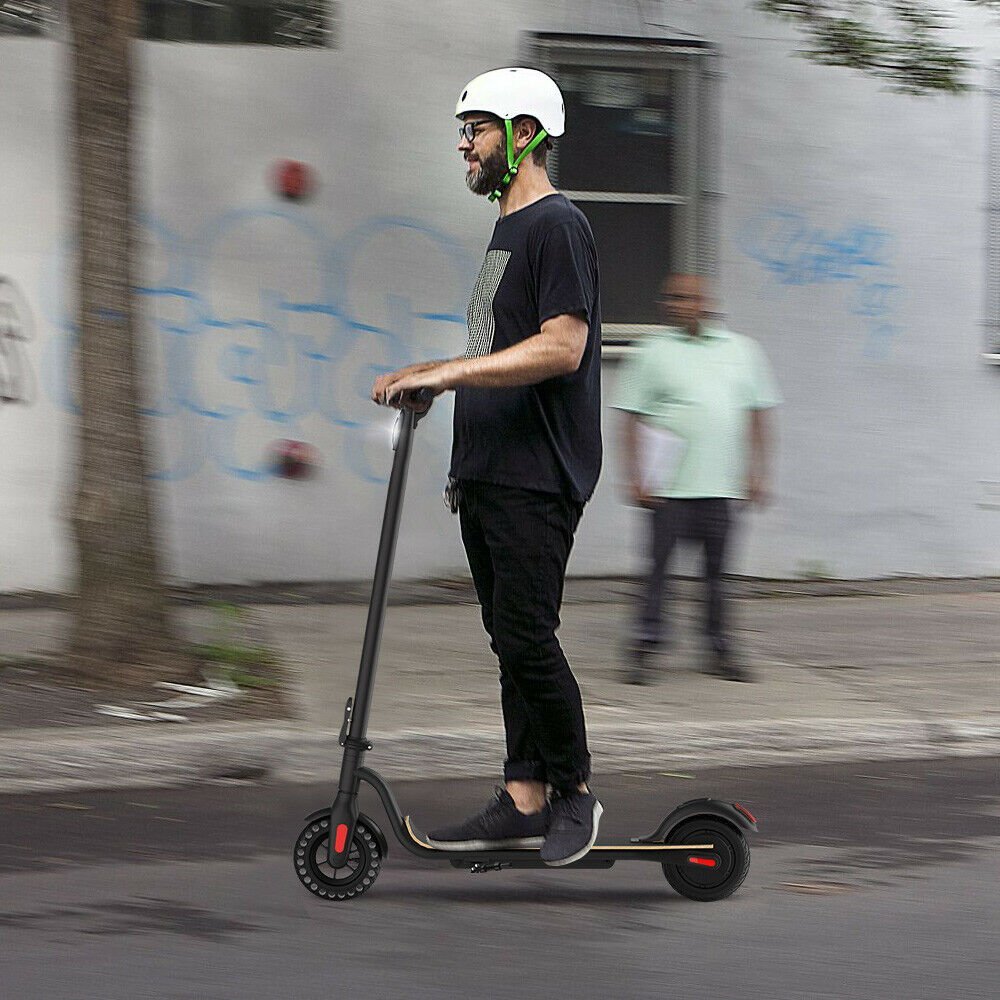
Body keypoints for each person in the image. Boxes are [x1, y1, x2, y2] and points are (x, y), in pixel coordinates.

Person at [370, 68, 603, 866]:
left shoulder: (557, 226)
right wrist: (434, 380)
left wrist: (446, 373)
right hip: (491, 470)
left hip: (537, 472)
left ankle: (573, 791)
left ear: (525, 134)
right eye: (464, 131)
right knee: (509, 640)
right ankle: (524, 794)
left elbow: (561, 347)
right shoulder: (509, 230)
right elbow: (497, 350)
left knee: (528, 637)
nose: (463, 145)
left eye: (476, 129)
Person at [613, 273, 780, 684]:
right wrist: (634, 475)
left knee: (718, 576)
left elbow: (758, 414)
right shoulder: (651, 351)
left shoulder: (742, 350)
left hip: (720, 488)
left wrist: (759, 472)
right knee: (657, 573)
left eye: (688, 298)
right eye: (672, 297)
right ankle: (645, 646)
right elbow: (631, 417)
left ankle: (719, 646)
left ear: (707, 303)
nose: (679, 304)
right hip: (667, 489)